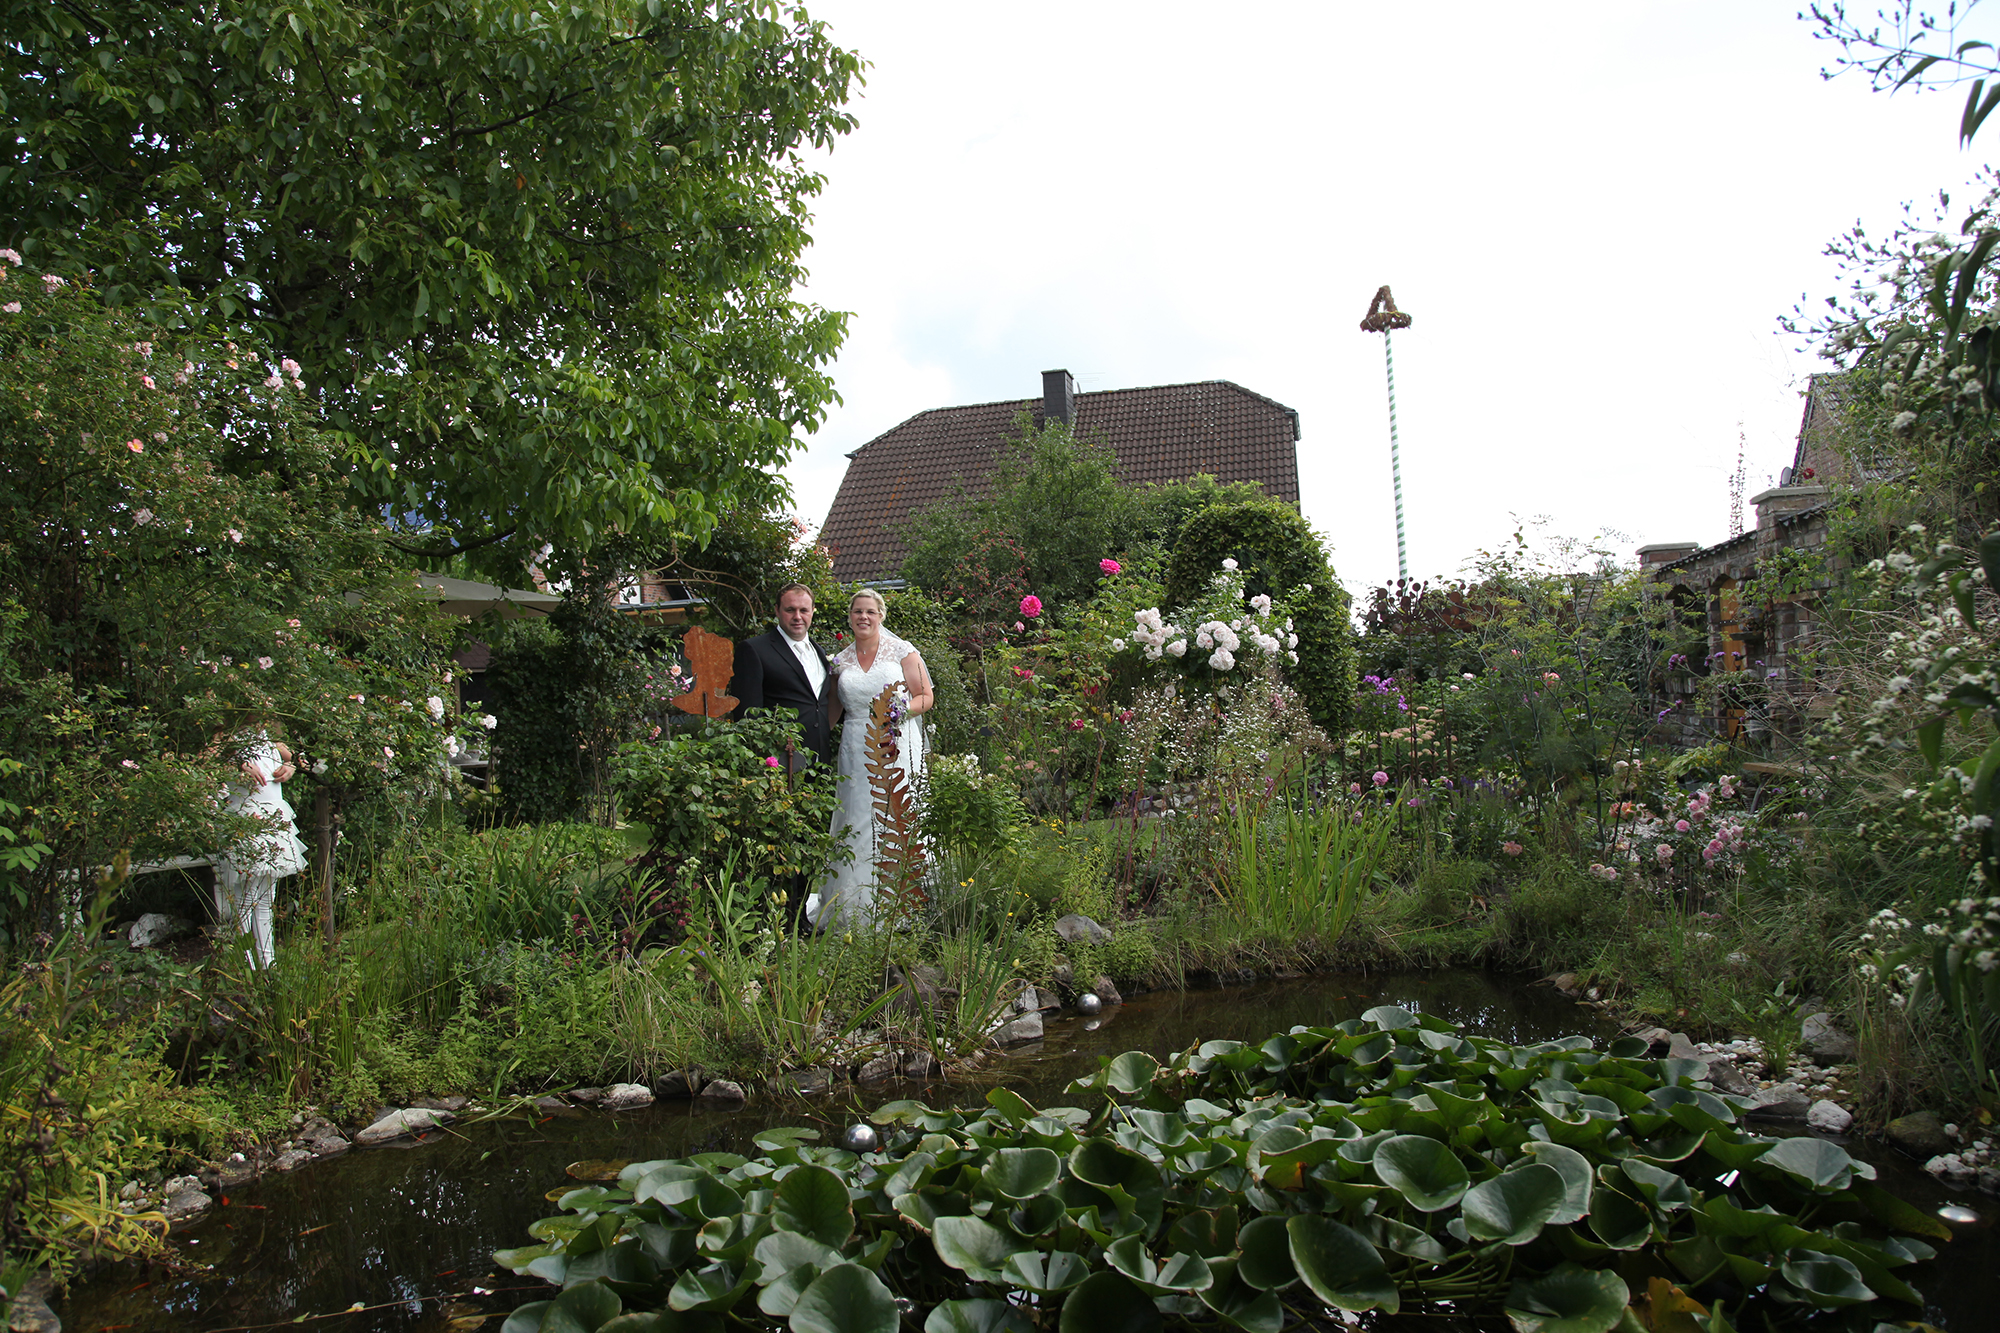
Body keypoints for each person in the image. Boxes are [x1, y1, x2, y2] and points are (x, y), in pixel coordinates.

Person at [814, 588, 934, 929]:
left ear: (881, 615)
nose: (863, 617)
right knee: (856, 817)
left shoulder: (902, 652)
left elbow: (925, 696)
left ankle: (903, 901)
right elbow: (833, 710)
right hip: (854, 746)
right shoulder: (840, 661)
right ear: (850, 617)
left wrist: (898, 713)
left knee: (894, 813)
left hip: (894, 742)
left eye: (870, 611)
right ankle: (853, 905)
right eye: (857, 612)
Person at [214, 728, 308, 968]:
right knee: (246, 895)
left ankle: (269, 962)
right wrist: (239, 767)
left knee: (267, 895)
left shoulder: (271, 738)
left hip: (273, 818)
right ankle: (247, 964)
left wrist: (290, 768)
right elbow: (209, 763)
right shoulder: (228, 735)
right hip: (247, 818)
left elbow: (291, 758)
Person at [731, 583, 841, 766]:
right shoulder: (754, 650)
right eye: (790, 610)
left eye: (804, 610)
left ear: (813, 611)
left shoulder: (820, 652)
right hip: (780, 760)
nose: (798, 617)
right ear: (777, 610)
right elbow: (746, 716)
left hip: (820, 759)